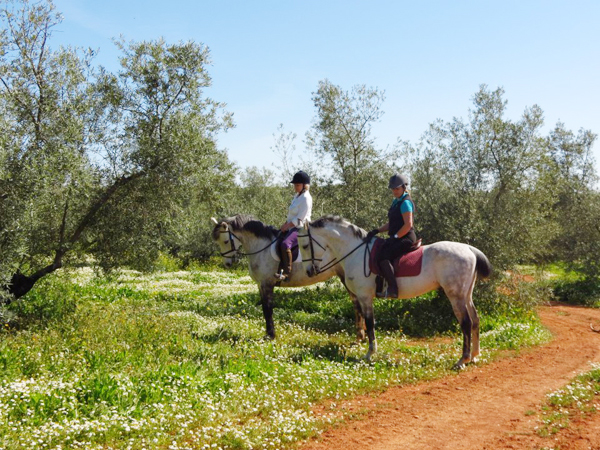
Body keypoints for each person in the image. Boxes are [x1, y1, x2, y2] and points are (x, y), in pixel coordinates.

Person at [366, 174, 417, 298]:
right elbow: (392, 223)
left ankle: (393, 289)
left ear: (404, 187)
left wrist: (395, 237)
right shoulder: (396, 201)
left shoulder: (405, 203)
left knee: (383, 256)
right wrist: (377, 230)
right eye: (393, 189)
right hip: (398, 236)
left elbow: (408, 225)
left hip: (405, 238)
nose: (394, 191)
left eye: (397, 188)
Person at [275, 170, 313, 280]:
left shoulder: (306, 198)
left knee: (285, 244)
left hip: (301, 228)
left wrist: (287, 226)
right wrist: (285, 224)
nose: (295, 187)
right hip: (292, 226)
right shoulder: (297, 196)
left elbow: (300, 218)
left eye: (297, 185)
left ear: (305, 186)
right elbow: (292, 215)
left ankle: (287, 273)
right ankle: (278, 271)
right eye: (295, 185)